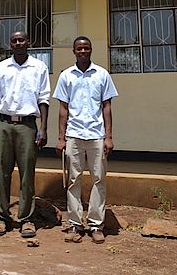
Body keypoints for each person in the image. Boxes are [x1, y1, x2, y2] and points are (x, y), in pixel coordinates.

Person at [53, 36, 118, 244]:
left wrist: (109, 136)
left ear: (91, 50)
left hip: (96, 135)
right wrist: (61, 138)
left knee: (99, 179)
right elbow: (63, 109)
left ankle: (96, 225)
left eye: (86, 48)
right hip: (74, 135)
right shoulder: (66, 76)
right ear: (74, 51)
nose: (82, 51)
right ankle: (75, 224)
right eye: (79, 48)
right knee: (74, 180)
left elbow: (107, 107)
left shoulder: (102, 74)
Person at [0, 31, 50, 239]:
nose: (18, 43)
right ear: (10, 44)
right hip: (3, 124)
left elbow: (44, 99)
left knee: (27, 174)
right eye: (14, 40)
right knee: (3, 173)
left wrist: (43, 128)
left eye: (22, 40)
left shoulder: (39, 67)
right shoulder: (2, 67)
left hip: (27, 126)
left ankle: (26, 219)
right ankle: (1, 217)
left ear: (28, 42)